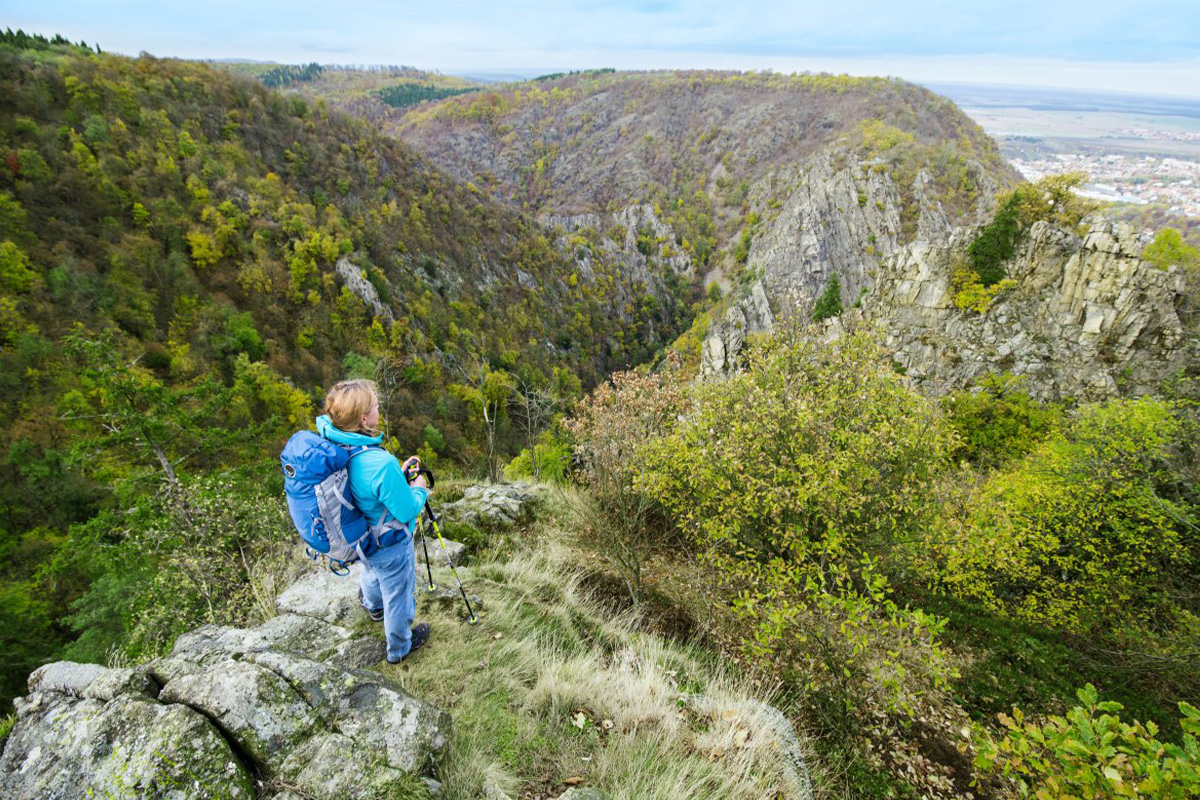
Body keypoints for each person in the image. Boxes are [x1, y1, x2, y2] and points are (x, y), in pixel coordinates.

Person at [316, 379, 431, 663]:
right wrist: (418, 487)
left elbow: (367, 488)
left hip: (359, 535)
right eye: (376, 406)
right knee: (399, 596)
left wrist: (397, 474)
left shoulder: (334, 447)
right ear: (364, 418)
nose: (380, 409)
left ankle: (372, 606)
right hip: (390, 543)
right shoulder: (380, 463)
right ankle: (400, 647)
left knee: (369, 571)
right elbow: (406, 511)